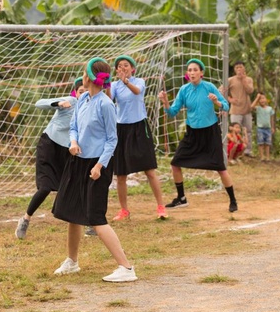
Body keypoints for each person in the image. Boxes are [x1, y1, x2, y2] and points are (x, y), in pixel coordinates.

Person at [52, 57, 137, 283]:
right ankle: (72, 261)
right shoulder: (82, 100)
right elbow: (73, 127)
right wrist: (73, 142)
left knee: (96, 218)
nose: (82, 75)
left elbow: (112, 140)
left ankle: (126, 268)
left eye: (83, 72)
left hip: (97, 166)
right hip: (78, 162)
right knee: (72, 213)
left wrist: (100, 165)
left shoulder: (106, 104)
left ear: (89, 77)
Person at [158, 58, 239, 213]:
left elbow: (226, 106)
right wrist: (166, 103)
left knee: (221, 169)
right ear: (187, 74)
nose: (192, 72)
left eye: (195, 70)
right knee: (175, 163)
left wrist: (217, 102)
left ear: (201, 73)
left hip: (210, 133)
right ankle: (181, 198)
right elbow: (172, 112)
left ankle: (233, 200)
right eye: (189, 70)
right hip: (192, 134)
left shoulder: (209, 87)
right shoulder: (184, 90)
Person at [15, 78, 86, 239]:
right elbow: (39, 103)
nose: (84, 94)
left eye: (87, 91)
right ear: (76, 92)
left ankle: (87, 222)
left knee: (72, 186)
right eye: (81, 91)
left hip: (68, 152)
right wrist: (58, 103)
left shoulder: (90, 109)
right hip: (49, 146)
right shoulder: (69, 101)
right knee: (45, 187)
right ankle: (25, 219)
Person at [107, 55, 168, 221]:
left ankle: (161, 206)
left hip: (140, 128)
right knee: (120, 174)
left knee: (149, 170)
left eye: (126, 65)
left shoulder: (139, 81)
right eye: (119, 66)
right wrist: (105, 83)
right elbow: (107, 99)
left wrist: (126, 81)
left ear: (132, 68)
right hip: (121, 130)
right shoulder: (115, 85)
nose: (123, 68)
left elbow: (137, 92)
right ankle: (124, 210)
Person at [224, 61, 254, 157]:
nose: (239, 69)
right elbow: (221, 90)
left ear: (244, 68)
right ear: (234, 69)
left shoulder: (249, 79)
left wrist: (243, 80)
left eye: (241, 67)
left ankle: (247, 151)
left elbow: (250, 90)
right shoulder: (230, 80)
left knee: (248, 131)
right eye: (237, 67)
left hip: (247, 110)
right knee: (234, 132)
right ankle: (233, 153)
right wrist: (230, 99)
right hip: (235, 111)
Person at [251, 92, 276, 161]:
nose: (262, 100)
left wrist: (272, 127)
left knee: (267, 143)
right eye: (260, 99)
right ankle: (262, 156)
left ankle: (267, 157)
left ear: (266, 99)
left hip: (268, 128)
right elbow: (251, 106)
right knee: (260, 143)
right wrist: (257, 98)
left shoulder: (270, 109)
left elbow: (272, 119)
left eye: (263, 98)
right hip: (260, 128)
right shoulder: (258, 108)